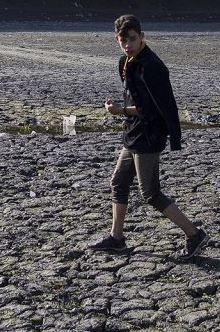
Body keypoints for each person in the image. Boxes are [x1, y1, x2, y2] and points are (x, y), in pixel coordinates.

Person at [88, 14, 208, 260]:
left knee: (151, 193)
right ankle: (117, 238)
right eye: (123, 40)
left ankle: (194, 234)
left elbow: (153, 109)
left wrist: (119, 111)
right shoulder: (126, 61)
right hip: (133, 133)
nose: (128, 44)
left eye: (133, 39)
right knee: (118, 183)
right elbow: (136, 98)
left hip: (149, 134)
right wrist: (122, 108)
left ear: (142, 37)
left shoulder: (152, 66)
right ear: (117, 40)